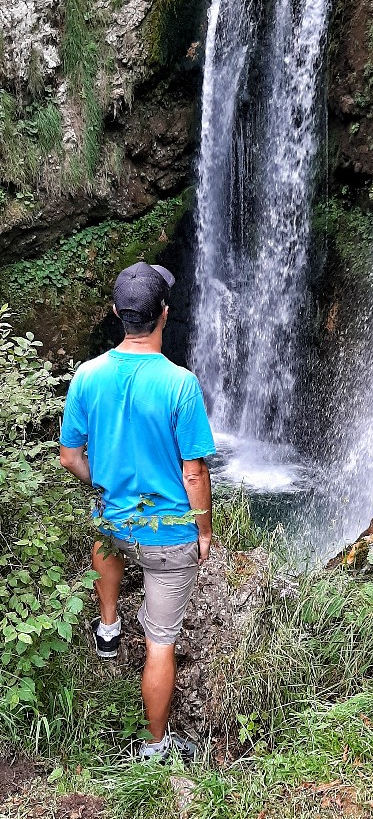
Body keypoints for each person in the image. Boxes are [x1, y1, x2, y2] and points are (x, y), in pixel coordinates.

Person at [59, 261, 216, 763]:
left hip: (114, 522)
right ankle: (156, 746)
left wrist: (102, 483)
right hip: (167, 535)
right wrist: (203, 530)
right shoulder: (180, 384)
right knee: (161, 643)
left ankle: (107, 626)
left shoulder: (88, 375)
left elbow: (69, 456)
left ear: (115, 313)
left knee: (105, 540)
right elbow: (193, 473)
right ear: (164, 314)